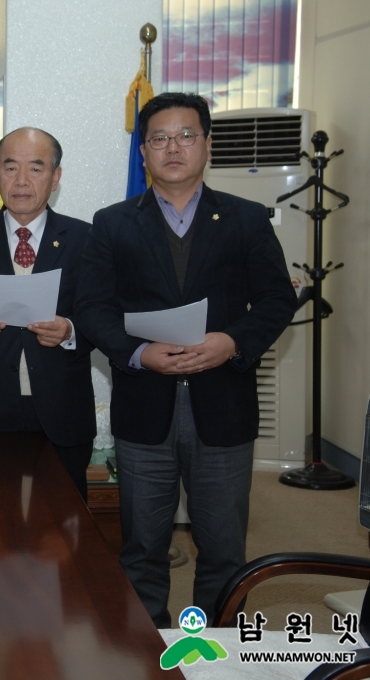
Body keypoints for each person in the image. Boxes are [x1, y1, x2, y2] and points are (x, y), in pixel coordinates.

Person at [74, 92, 296, 627]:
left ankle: (214, 651)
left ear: (207, 145)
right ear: (144, 152)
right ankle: (146, 648)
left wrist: (233, 343)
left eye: (186, 135)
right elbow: (92, 308)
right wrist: (137, 353)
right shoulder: (113, 222)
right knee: (143, 547)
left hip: (223, 407)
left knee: (222, 548)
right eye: (159, 138)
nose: (173, 147)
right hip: (143, 408)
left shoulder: (245, 218)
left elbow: (276, 299)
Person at [0, 127, 95, 500]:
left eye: (36, 168)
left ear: (56, 177)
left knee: (64, 532)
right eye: (10, 168)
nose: (22, 181)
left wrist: (70, 331)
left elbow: (105, 317)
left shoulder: (87, 240)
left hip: (64, 412)